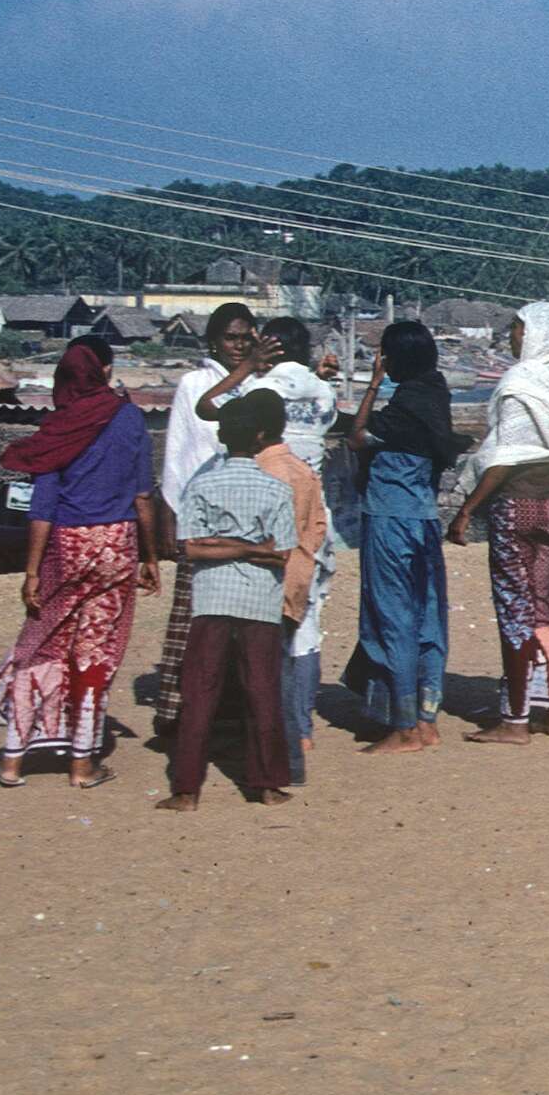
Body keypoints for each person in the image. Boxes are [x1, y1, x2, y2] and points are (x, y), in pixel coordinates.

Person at [0, 340, 155, 787]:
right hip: (118, 545)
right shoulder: (131, 419)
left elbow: (42, 508)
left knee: (40, 643)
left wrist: (32, 572)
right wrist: (151, 556)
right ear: (106, 370)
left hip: (67, 547)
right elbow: (143, 496)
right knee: (95, 651)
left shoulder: (58, 426)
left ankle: (12, 759)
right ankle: (82, 763)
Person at [448, 301, 549, 742]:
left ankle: (515, 719)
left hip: (520, 507)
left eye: (518, 328)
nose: (512, 336)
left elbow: (505, 457)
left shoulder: (522, 383)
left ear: (537, 334)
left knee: (518, 611)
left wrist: (467, 508)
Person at [158, 391, 297, 809]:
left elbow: (192, 548)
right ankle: (268, 785)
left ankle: (186, 790)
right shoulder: (276, 489)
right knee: (262, 692)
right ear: (261, 438)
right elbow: (280, 553)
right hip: (260, 601)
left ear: (222, 435)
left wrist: (223, 545)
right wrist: (250, 548)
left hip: (211, 599)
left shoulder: (202, 485)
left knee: (199, 694)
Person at [345, 319, 462, 751]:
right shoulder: (435, 398)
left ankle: (405, 725)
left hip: (389, 520)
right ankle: (427, 718)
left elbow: (356, 438)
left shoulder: (401, 410)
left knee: (392, 620)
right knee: (428, 619)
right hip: (424, 520)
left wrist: (373, 385)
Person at [145, 301, 261, 736]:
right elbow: (178, 454)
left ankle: (232, 715)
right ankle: (179, 713)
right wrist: (170, 515)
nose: (239, 346)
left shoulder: (261, 384)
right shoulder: (195, 384)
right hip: (203, 517)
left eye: (246, 338)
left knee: (244, 620)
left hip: (250, 518)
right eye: (231, 338)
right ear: (214, 342)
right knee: (195, 618)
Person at [238, 319, 337, 781]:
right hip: (313, 519)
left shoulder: (258, 390)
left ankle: (272, 725)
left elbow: (222, 417)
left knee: (267, 625)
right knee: (307, 625)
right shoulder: (323, 392)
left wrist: (248, 368)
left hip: (265, 518)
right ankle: (303, 727)